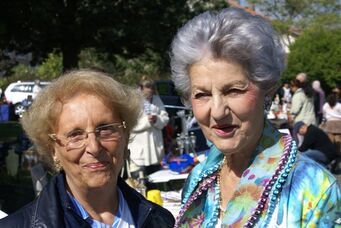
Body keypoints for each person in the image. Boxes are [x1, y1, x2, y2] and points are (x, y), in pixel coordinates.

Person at [170, 7, 340, 227]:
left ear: (267, 90)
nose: (218, 111)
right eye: (202, 94)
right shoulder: (199, 179)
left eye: (234, 90)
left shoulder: (315, 191)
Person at [0, 70, 175, 227]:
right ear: (53, 149)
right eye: (75, 134)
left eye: (105, 129)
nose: (94, 147)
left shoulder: (160, 221)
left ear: (125, 136)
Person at [128, 76, 169, 178]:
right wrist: (147, 121)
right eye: (147, 89)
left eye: (151, 89)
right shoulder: (133, 101)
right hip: (139, 153)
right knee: (141, 183)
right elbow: (129, 123)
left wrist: (157, 120)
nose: (150, 92)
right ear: (141, 88)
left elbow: (165, 118)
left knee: (156, 180)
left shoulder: (156, 99)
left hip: (155, 151)